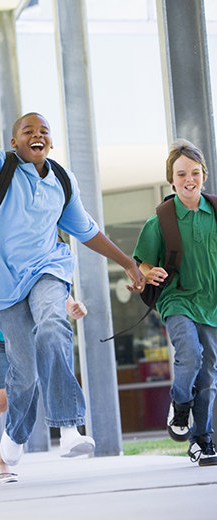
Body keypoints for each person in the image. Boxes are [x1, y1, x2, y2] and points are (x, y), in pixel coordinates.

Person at [0, 95, 146, 477]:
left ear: (50, 143)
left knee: (54, 328)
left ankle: (69, 427)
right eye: (28, 131)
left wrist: (126, 263)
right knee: (23, 373)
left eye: (43, 132)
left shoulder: (61, 181)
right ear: (14, 142)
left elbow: (87, 231)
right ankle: (13, 440)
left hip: (48, 268)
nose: (37, 136)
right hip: (3, 284)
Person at [133, 139, 217, 466]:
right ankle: (179, 406)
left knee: (209, 372)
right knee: (190, 355)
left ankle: (202, 440)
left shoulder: (215, 214)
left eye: (194, 172)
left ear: (204, 175)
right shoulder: (161, 221)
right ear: (172, 180)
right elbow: (141, 260)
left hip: (211, 304)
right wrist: (147, 271)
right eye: (181, 174)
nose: (188, 179)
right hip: (177, 299)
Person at [0, 257, 87, 482]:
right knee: (1, 400)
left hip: (28, 338)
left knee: (27, 385)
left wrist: (70, 304)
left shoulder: (33, 243)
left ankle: (2, 460)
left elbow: (48, 280)